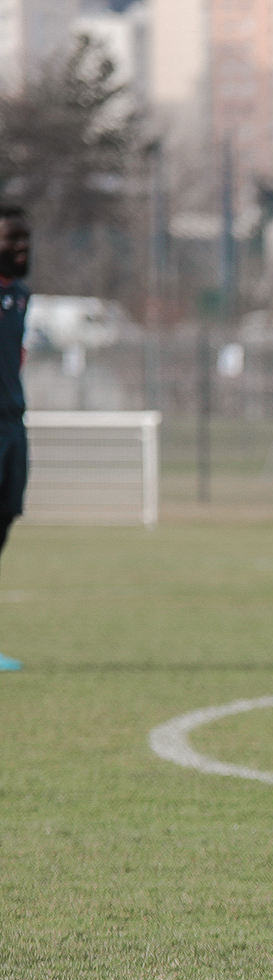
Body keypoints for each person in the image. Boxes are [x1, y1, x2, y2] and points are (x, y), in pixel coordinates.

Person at [0, 206, 30, 670]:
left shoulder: (22, 296)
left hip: (12, 422)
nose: (22, 247)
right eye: (11, 238)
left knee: (6, 514)